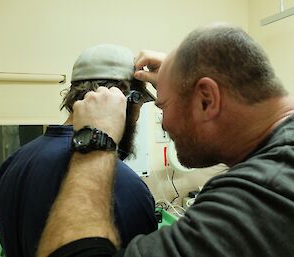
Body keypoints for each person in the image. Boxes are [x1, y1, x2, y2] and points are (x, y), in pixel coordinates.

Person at [37, 23, 294, 257]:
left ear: (206, 99)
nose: (164, 123)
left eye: (164, 106)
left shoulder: (259, 196)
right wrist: (179, 79)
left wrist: (95, 140)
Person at [0, 44, 158, 257]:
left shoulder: (13, 162)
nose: (136, 117)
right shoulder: (125, 185)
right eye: (140, 105)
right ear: (123, 100)